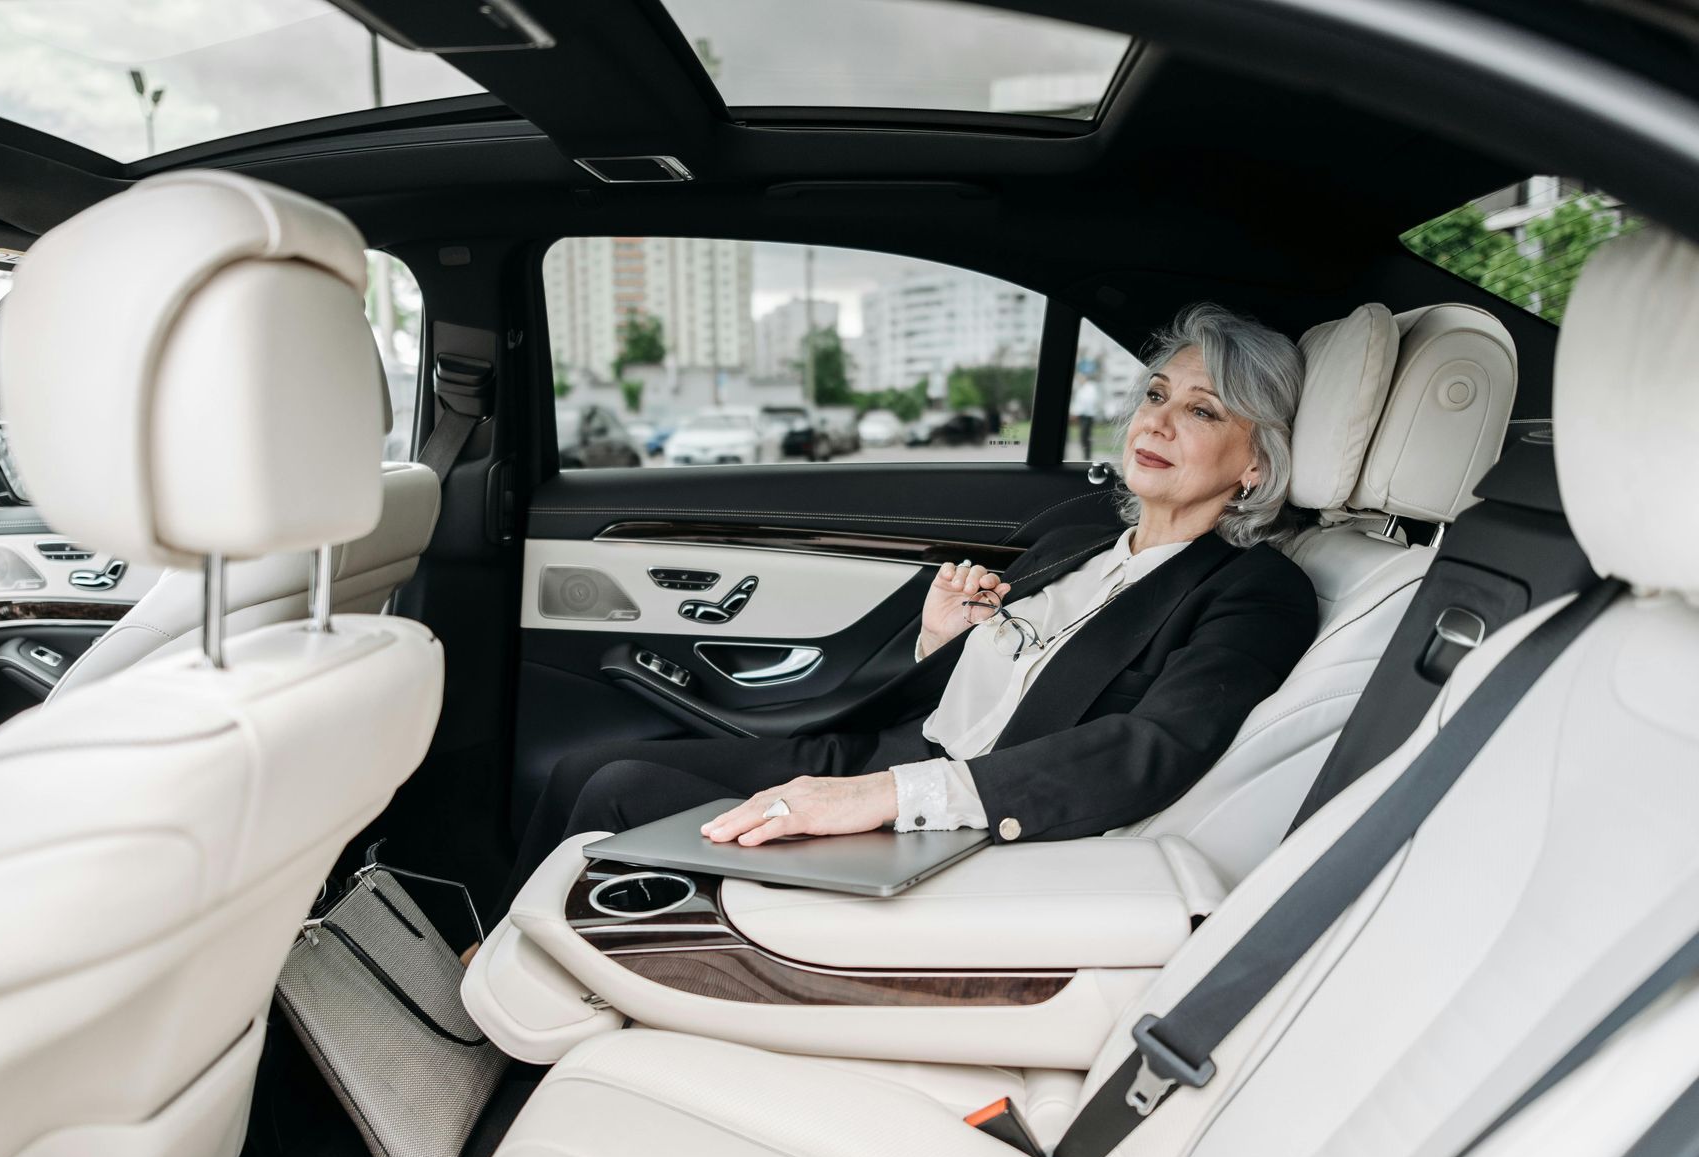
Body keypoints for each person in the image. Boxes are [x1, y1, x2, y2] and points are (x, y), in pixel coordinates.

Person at [497, 302, 1318, 914]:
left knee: (623, 790)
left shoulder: (1253, 591)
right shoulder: (1078, 541)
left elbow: (1152, 749)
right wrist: (939, 642)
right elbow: (981, 690)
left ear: (1256, 465)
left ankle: (503, 1000)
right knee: (583, 768)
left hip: (956, 813)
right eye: (1156, 394)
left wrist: (885, 798)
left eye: (1201, 410)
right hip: (891, 750)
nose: (1158, 421)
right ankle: (495, 956)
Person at [1071, 373, 1102, 460]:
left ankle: (1087, 456)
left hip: (1087, 416)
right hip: (1082, 416)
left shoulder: (1090, 388)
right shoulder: (1082, 388)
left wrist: (1077, 411)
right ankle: (1086, 455)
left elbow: (1088, 402)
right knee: (1084, 437)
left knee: (1085, 436)